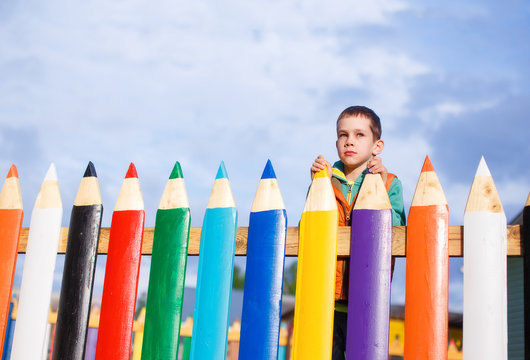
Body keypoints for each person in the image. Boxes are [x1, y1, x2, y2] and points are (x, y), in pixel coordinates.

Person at [310, 105, 406, 360]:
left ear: (377, 145)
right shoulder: (328, 180)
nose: (349, 141)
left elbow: (395, 231)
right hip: (326, 299)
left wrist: (382, 192)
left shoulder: (389, 182)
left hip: (368, 299)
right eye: (343, 135)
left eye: (359, 135)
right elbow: (313, 224)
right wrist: (317, 186)